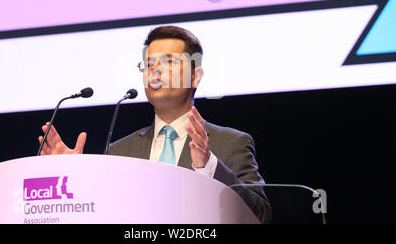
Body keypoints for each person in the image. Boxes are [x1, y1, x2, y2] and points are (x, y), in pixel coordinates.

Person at [38, 25, 271, 223]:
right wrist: (74, 175)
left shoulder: (231, 143)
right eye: (149, 64)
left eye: (169, 61)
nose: (155, 71)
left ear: (195, 76)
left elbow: (259, 214)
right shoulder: (120, 151)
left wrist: (209, 165)